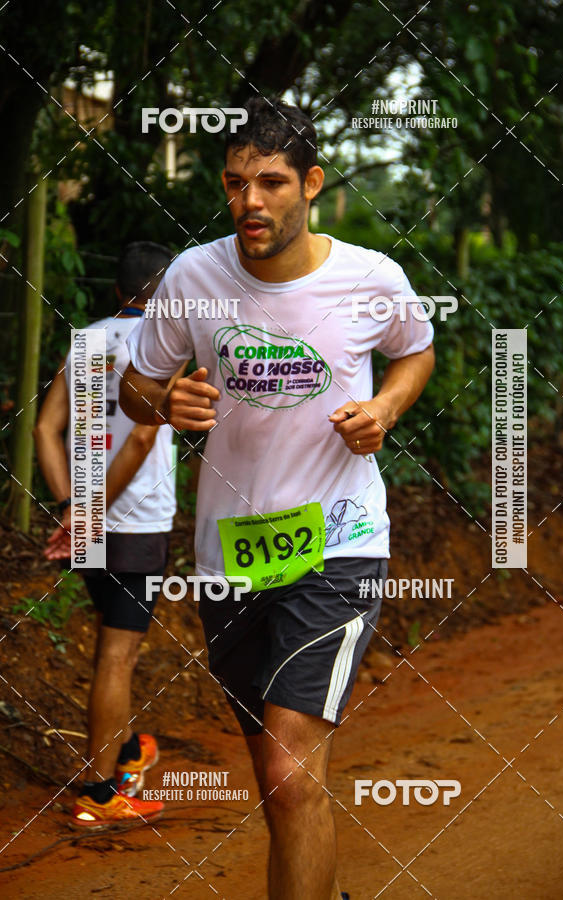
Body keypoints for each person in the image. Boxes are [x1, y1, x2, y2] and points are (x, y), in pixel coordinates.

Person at [120, 98, 434, 898]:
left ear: (312, 183)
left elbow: (416, 352)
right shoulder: (193, 276)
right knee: (278, 777)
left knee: (291, 773)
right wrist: (165, 405)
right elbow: (136, 385)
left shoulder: (370, 278)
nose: (249, 202)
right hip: (231, 556)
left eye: (270, 182)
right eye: (234, 184)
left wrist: (384, 410)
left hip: (339, 543)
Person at [34, 241, 181, 828]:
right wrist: (91, 511)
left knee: (108, 643)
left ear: (119, 290)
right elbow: (143, 440)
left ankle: (123, 753)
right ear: (165, 291)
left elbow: (46, 429)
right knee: (118, 656)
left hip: (88, 523)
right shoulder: (163, 348)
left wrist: (73, 504)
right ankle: (99, 794)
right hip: (136, 524)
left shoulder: (88, 341)